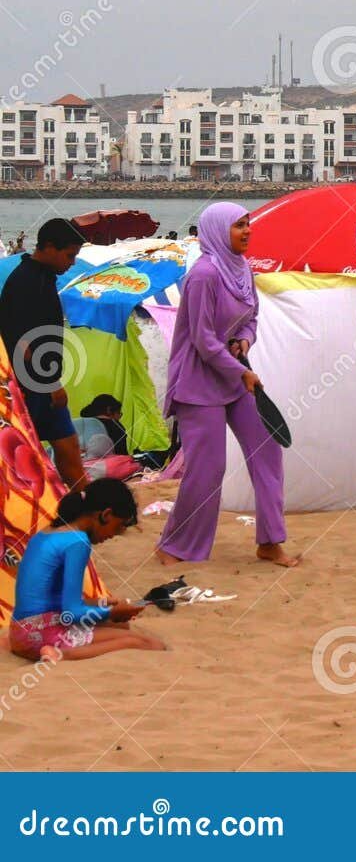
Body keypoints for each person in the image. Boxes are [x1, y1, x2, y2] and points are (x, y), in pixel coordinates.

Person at [155, 202, 299, 569]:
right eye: (238, 225)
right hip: (197, 381)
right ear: (218, 231)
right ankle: (174, 545)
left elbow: (252, 317)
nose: (247, 230)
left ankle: (270, 542)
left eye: (248, 223)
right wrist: (240, 372)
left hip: (233, 375)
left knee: (267, 447)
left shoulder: (243, 269)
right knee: (208, 467)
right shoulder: (203, 275)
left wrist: (245, 341)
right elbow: (202, 340)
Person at [9, 478, 164, 660]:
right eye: (117, 527)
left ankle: (55, 649)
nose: (113, 535)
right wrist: (112, 612)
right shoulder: (77, 542)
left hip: (20, 631)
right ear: (106, 515)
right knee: (147, 643)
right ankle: (60, 655)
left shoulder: (47, 533)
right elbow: (72, 613)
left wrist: (101, 603)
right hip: (42, 634)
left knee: (121, 627)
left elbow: (50, 599)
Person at [0, 218, 89, 492]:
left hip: (42, 384)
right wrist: (51, 384)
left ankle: (85, 501)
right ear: (49, 247)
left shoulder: (44, 277)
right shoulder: (27, 282)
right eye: (69, 255)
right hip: (30, 387)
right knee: (26, 457)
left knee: (68, 446)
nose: (72, 262)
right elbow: (18, 340)